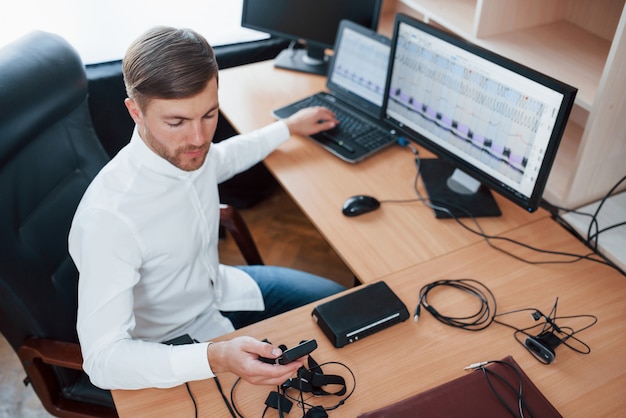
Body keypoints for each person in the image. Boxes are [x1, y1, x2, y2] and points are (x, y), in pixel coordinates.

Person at [68, 26, 345, 391]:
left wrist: (287, 128)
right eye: (177, 122)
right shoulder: (109, 220)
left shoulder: (191, 153)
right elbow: (103, 361)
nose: (199, 139)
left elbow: (225, 157)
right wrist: (213, 357)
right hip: (172, 343)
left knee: (338, 302)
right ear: (135, 112)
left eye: (209, 115)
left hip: (220, 289)